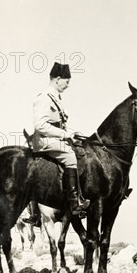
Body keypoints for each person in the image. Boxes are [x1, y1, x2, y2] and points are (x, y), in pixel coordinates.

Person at [32, 62, 90, 215]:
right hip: (44, 140)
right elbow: (40, 125)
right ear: (57, 79)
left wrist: (72, 132)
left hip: (54, 138)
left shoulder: (56, 98)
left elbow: (59, 125)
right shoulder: (44, 98)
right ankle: (74, 202)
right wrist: (65, 135)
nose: (68, 85)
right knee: (70, 156)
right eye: (67, 81)